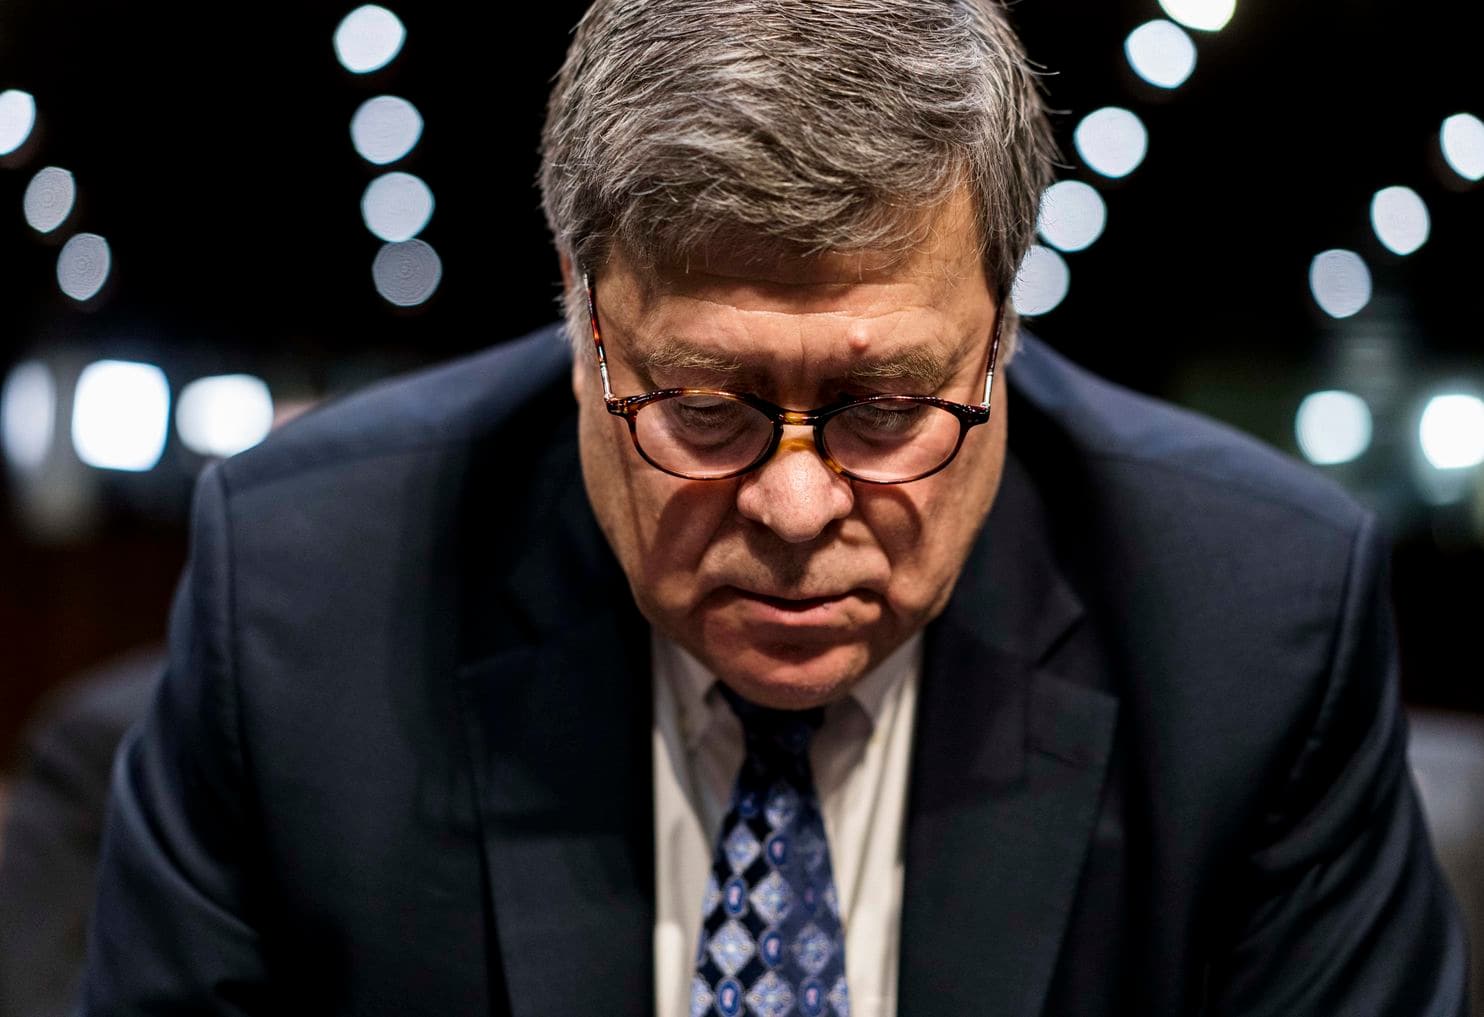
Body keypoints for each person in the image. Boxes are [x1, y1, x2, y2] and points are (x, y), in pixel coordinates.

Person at [80, 1, 1468, 1014]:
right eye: (705, 408)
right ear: (583, 315)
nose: (797, 508)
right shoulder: (299, 591)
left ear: (1001, 328)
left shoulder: (1258, 626)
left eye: (887, 410)